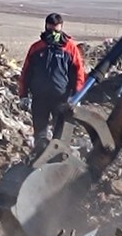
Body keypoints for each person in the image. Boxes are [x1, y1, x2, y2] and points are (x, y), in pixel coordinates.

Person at [18, 13, 86, 147]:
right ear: (46, 27)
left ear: (61, 27)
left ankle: (57, 158)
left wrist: (77, 96)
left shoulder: (70, 48)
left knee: (60, 134)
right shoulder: (36, 48)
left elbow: (78, 72)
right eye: (51, 29)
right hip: (40, 97)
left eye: (56, 29)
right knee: (40, 134)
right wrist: (23, 95)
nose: (53, 32)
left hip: (61, 98)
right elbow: (26, 72)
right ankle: (38, 156)